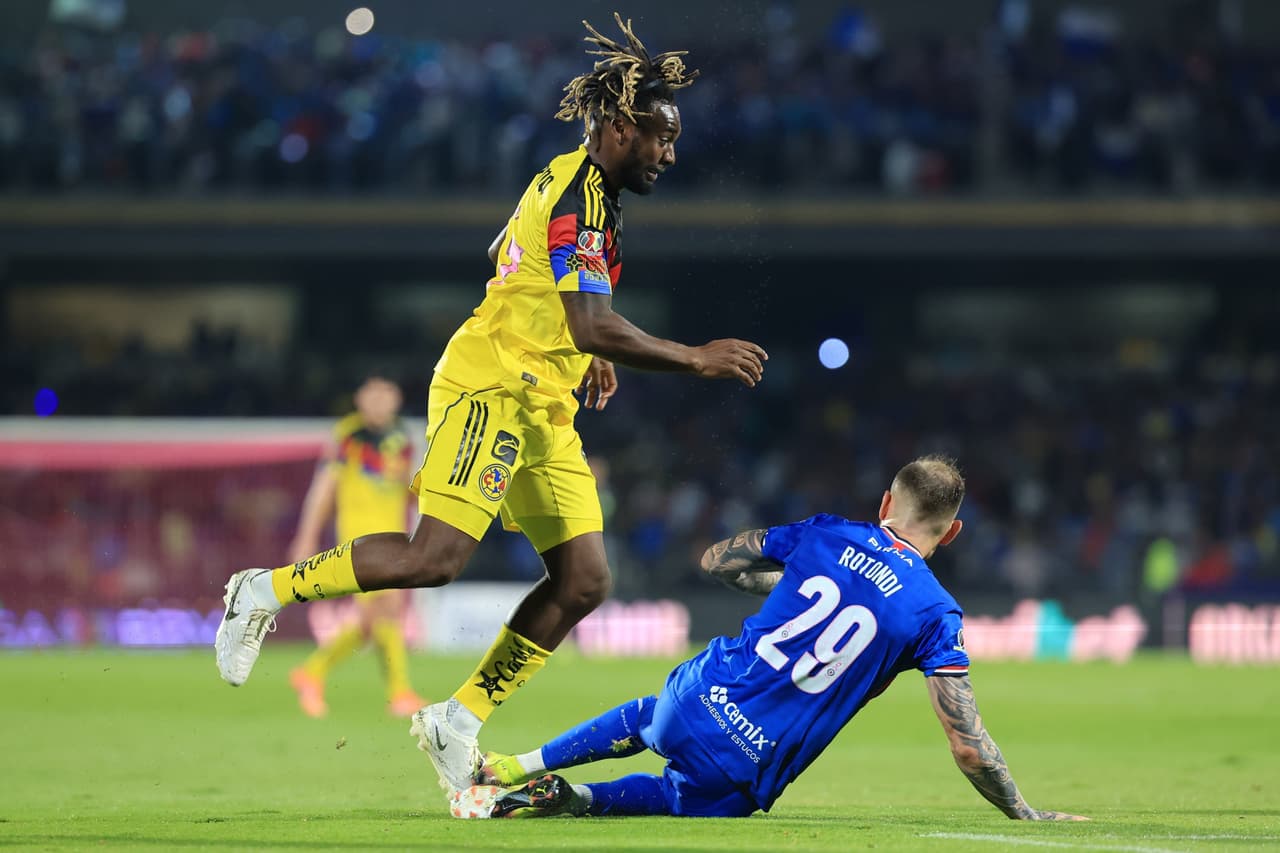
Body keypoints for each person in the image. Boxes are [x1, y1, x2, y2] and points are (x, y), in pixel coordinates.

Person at [213, 12, 767, 797]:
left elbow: (516, 267)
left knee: (583, 580)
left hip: (545, 398)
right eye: (660, 136)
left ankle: (457, 719)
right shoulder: (583, 193)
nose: (670, 153)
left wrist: (586, 352)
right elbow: (584, 313)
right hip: (493, 387)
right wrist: (689, 357)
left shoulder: (576, 181)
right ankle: (260, 591)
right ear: (617, 126)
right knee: (431, 559)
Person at [453, 456, 1089, 822]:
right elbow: (968, 744)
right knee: (684, 797)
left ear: (885, 501)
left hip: (699, 695)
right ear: (949, 534)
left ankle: (519, 765)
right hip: (749, 759)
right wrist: (1023, 813)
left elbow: (715, 561)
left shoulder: (827, 533)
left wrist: (785, 589)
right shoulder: (936, 614)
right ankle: (579, 799)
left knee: (652, 716)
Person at [285, 373, 427, 719]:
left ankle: (314, 674)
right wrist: (306, 536)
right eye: (372, 394)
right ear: (360, 398)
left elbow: (410, 490)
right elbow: (324, 489)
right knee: (381, 610)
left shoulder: (402, 438)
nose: (379, 401)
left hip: (394, 535)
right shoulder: (348, 436)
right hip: (358, 537)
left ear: (396, 398)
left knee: (378, 616)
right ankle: (395, 692)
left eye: (386, 393)